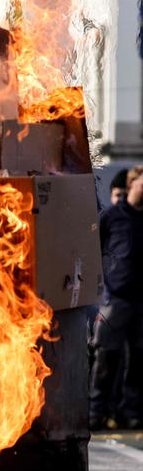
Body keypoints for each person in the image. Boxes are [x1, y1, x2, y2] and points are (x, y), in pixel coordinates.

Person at [90, 166, 143, 430]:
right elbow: (94, 249)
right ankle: (97, 412)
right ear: (133, 184)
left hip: (141, 302)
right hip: (115, 299)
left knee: (138, 361)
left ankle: (130, 412)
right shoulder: (112, 216)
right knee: (106, 358)